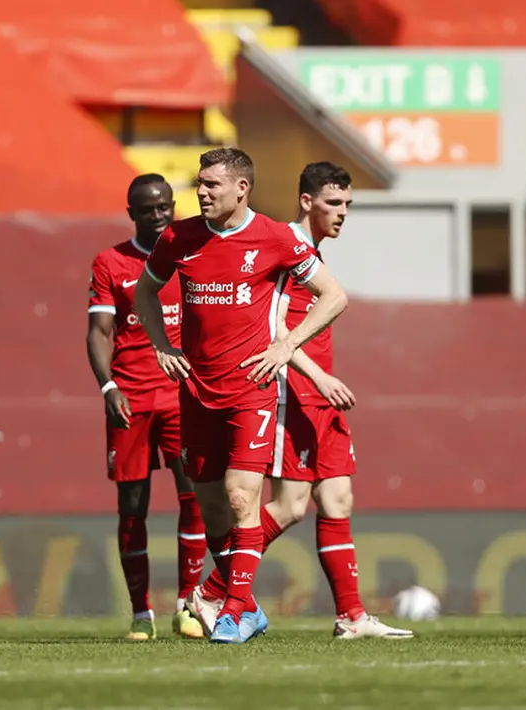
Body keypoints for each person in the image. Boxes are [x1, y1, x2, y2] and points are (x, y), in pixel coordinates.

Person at [134, 148, 349, 644]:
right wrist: (161, 345)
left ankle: (232, 611)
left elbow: (334, 295)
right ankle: (246, 605)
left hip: (251, 390)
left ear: (241, 188)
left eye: (211, 184)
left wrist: (286, 344)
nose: (201, 192)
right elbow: (145, 293)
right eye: (199, 183)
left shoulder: (275, 237)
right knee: (210, 509)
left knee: (240, 497)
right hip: (196, 391)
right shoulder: (179, 237)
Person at [189, 162, 411, 639]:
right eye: (334, 203)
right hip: (291, 393)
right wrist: (314, 373)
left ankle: (351, 618)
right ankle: (213, 591)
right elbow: (272, 330)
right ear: (306, 201)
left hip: (320, 397)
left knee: (338, 498)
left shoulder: (314, 253)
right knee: (289, 506)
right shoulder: (283, 248)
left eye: (348, 204)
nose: (343, 213)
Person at [85, 174, 206, 641]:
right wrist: (108, 387)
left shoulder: (192, 254)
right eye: (147, 209)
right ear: (131, 212)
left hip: (181, 396)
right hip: (131, 400)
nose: (157, 216)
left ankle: (187, 606)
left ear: (173, 207)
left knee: (193, 496)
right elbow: (99, 333)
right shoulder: (111, 262)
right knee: (131, 507)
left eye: (164, 208)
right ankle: (140, 614)